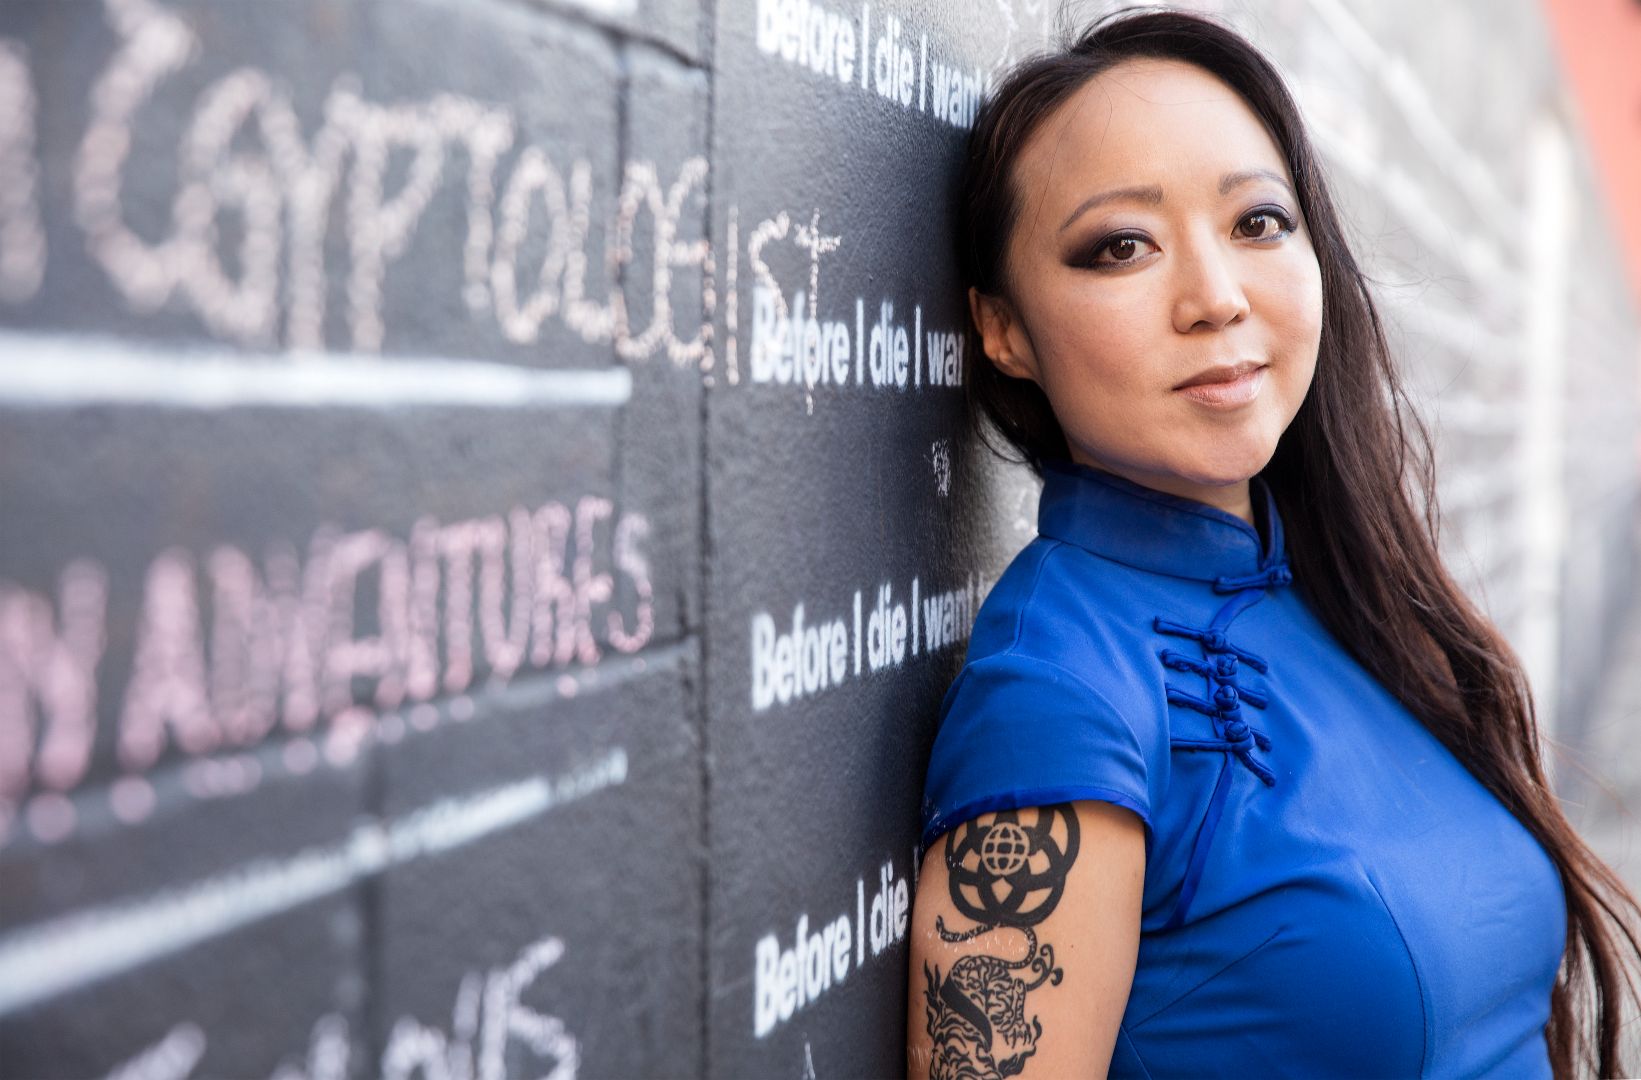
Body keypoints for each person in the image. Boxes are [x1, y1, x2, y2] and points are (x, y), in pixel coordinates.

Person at [905, 8, 1641, 1078]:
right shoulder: (1059, 692)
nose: (1215, 297)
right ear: (1004, 329)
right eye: (1122, 247)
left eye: (1257, 224)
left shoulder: (1352, 595)